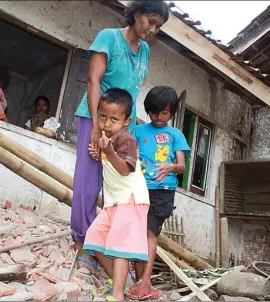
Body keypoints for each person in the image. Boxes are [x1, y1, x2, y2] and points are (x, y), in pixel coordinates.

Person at [70, 0, 170, 273]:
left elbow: (132, 91)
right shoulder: (109, 38)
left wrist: (132, 130)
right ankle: (81, 242)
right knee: (88, 183)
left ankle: (104, 244)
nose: (153, 29)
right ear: (136, 14)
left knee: (119, 190)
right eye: (151, 21)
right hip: (97, 119)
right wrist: (94, 126)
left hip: (125, 130)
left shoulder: (145, 50)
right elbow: (94, 81)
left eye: (158, 26)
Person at [83, 88, 150, 302]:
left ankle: (118, 294)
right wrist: (100, 152)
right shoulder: (107, 137)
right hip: (114, 203)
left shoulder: (126, 140)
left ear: (126, 121)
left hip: (130, 200)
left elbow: (124, 169)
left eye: (114, 119)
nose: (107, 123)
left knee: (120, 248)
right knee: (94, 238)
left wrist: (108, 152)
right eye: (103, 116)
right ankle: (122, 281)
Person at [127, 86, 190, 300]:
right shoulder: (140, 129)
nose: (160, 117)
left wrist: (170, 167)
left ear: (172, 112)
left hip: (162, 192)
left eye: (165, 112)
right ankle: (140, 281)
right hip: (139, 187)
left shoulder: (175, 134)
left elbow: (182, 166)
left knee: (149, 233)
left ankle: (146, 280)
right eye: (154, 113)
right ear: (148, 111)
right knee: (138, 233)